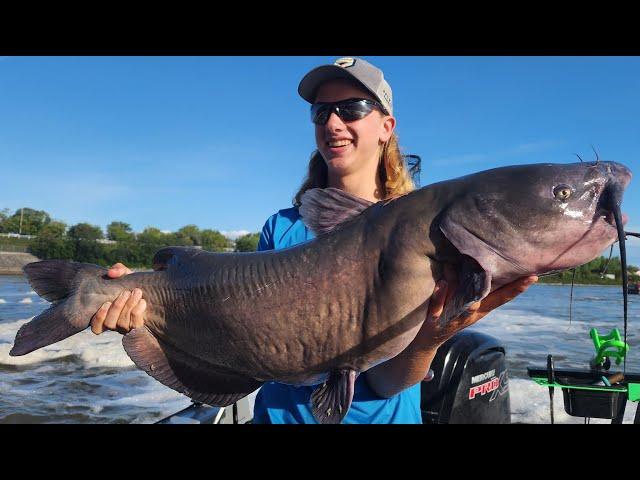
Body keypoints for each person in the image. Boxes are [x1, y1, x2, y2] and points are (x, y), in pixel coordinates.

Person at [90, 57, 538, 423]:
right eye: (321, 112)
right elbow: (237, 328)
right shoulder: (282, 227)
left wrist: (432, 339)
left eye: (352, 108)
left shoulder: (429, 235)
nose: (334, 122)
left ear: (386, 125)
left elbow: (386, 381)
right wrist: (148, 303)